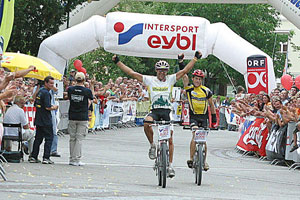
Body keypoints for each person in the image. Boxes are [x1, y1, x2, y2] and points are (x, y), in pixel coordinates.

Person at [112, 51, 202, 178]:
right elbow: (131, 73)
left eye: (165, 70)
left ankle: (170, 166)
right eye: (160, 70)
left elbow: (185, 70)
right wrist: (118, 62)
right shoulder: (150, 80)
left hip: (166, 112)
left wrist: (195, 58)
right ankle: (152, 145)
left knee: (170, 139)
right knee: (146, 123)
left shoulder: (171, 79)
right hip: (154, 111)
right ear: (156, 71)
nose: (162, 73)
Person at [182, 67, 217, 171]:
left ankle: (204, 161)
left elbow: (211, 105)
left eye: (200, 79)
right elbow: (184, 76)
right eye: (196, 79)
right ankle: (191, 158)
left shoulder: (206, 91)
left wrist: (214, 119)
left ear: (202, 80)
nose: (198, 81)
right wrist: (181, 63)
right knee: (195, 135)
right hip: (194, 117)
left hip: (204, 117)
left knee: (203, 140)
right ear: (193, 79)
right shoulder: (189, 89)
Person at [30, 76, 58, 164]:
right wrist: (54, 107)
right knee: (49, 138)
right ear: (45, 83)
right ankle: (46, 157)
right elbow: (47, 107)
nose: (51, 85)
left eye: (53, 83)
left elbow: (36, 104)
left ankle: (33, 156)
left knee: (38, 138)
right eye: (50, 83)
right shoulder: (46, 93)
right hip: (45, 119)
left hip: (39, 118)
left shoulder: (40, 91)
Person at [67, 72, 93, 166]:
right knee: (79, 138)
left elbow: (69, 98)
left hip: (72, 115)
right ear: (83, 80)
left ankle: (71, 158)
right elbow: (91, 99)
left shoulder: (70, 89)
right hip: (82, 116)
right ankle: (76, 159)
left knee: (72, 138)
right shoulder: (87, 91)